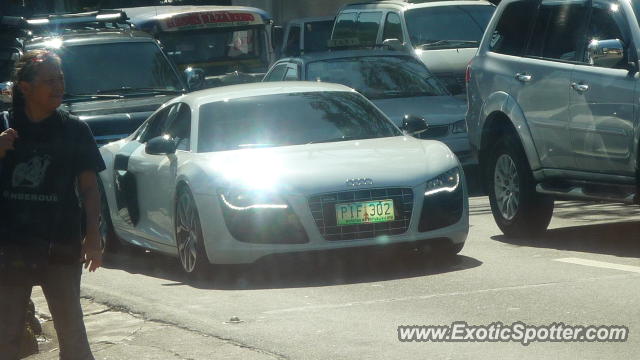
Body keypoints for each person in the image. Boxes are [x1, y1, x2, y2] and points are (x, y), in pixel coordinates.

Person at [0, 49, 105, 360]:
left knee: (72, 331)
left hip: (61, 243)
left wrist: (94, 238)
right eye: (49, 81)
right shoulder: (4, 126)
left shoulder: (74, 129)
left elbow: (89, 188)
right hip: (10, 248)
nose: (58, 86)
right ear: (25, 88)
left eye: (60, 78)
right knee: (5, 334)